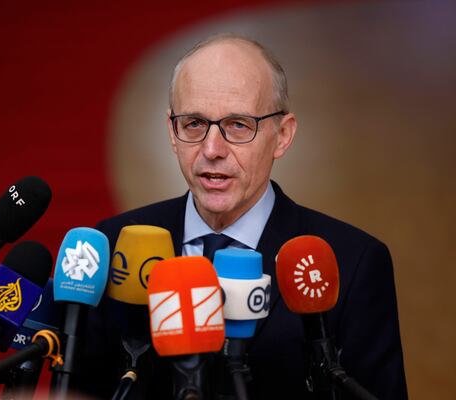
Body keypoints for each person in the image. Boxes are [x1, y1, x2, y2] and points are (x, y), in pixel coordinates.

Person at [79, 34, 407, 399]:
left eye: (238, 125)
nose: (212, 149)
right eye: (193, 124)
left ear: (282, 135)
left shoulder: (353, 262)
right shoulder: (113, 245)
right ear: (172, 132)